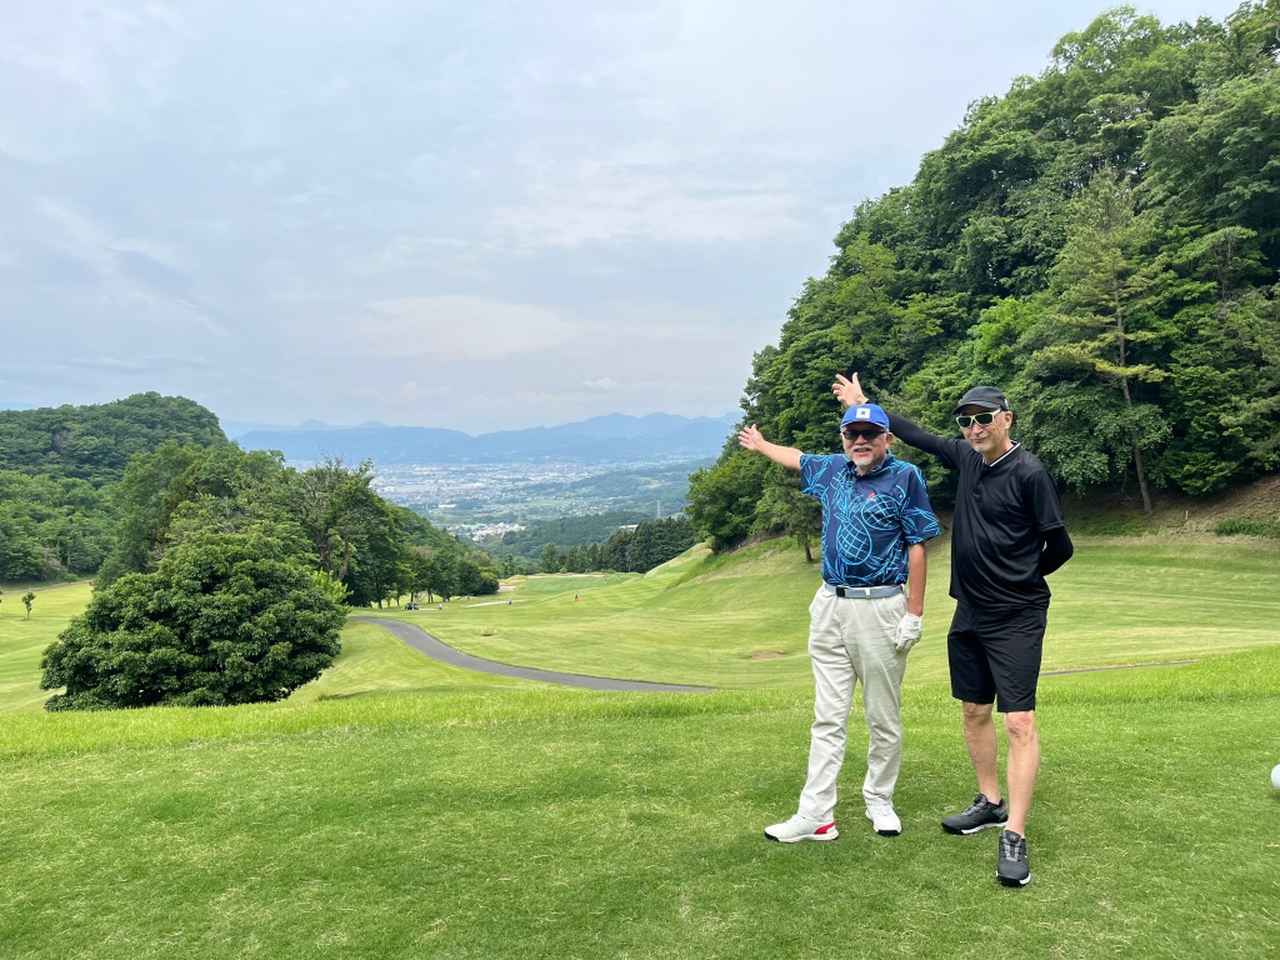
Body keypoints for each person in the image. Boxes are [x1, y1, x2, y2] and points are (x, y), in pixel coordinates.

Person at [833, 373, 1073, 888]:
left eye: (983, 418)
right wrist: (864, 403)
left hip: (1017, 614)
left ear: (1006, 419)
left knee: (1019, 722)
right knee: (973, 710)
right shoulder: (966, 458)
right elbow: (917, 435)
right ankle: (990, 801)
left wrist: (1020, 580)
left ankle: (1015, 833)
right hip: (969, 611)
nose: (974, 428)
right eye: (966, 422)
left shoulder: (1030, 473)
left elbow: (1060, 546)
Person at [738, 402, 940, 841]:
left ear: (887, 438)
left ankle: (879, 799)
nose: (860, 441)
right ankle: (816, 814)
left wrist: (914, 613)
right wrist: (762, 445)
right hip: (830, 604)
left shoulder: (905, 476)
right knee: (827, 717)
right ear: (844, 439)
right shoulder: (832, 470)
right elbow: (797, 458)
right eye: (852, 434)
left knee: (882, 716)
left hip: (881, 607)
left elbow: (917, 545)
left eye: (870, 434)